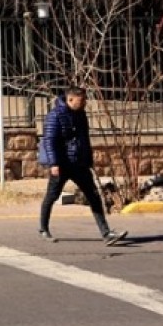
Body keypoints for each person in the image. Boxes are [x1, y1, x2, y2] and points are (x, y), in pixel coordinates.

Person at [38, 87, 127, 245]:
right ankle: (43, 228)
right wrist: (54, 163)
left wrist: (88, 160)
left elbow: (84, 139)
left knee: (93, 196)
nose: (85, 103)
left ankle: (106, 233)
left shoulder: (81, 115)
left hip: (79, 163)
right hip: (62, 164)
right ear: (70, 99)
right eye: (82, 100)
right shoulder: (55, 115)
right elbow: (49, 141)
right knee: (52, 196)